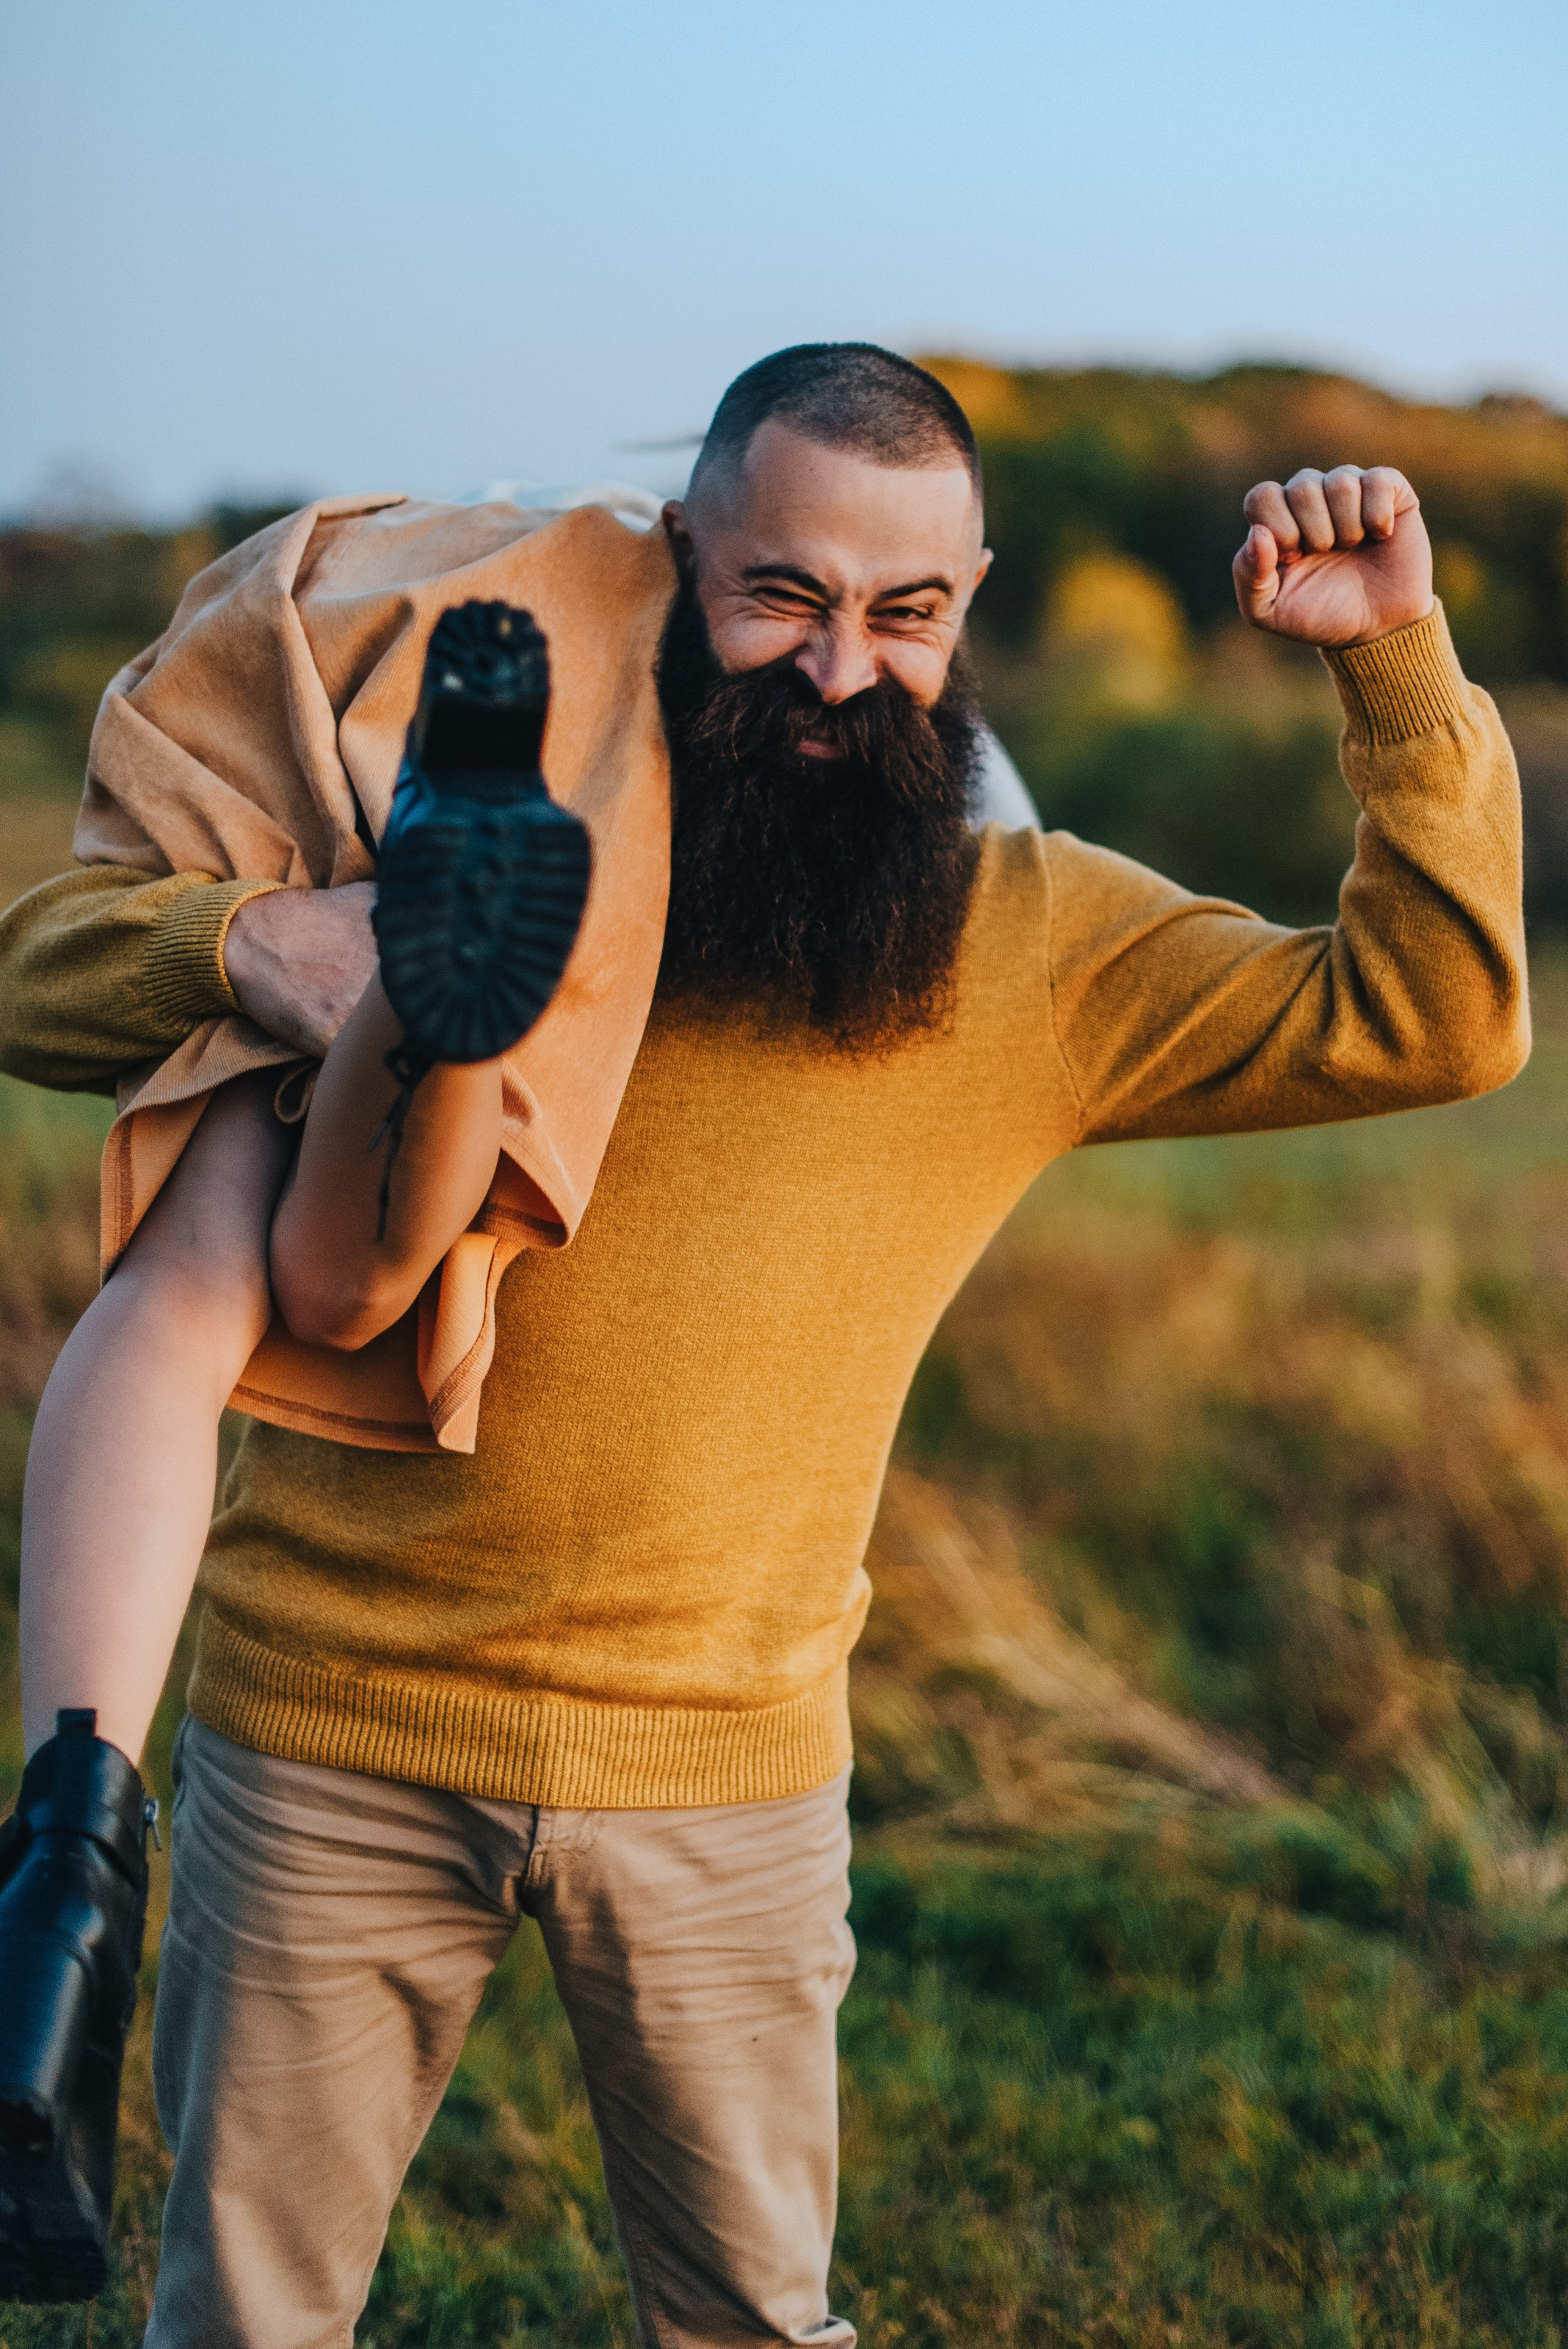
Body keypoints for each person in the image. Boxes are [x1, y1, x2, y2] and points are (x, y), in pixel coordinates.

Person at [0, 342, 1529, 2346]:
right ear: (677, 557)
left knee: (747, 2323)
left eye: (906, 615)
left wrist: (1392, 660)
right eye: (781, 598)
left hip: (725, 1775)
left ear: (968, 607)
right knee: (245, 2323)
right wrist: (257, 945)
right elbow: (38, 971)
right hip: (326, 1733)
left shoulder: (1034, 943)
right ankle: (65, 1884)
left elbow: (1438, 1015)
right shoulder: (453, 831)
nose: (839, 670)